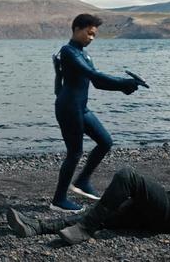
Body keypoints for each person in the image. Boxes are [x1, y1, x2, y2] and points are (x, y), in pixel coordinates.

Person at [7, 109, 170, 250]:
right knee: (103, 213)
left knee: (128, 176)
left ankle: (83, 231)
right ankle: (37, 227)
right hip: (161, 211)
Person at [50, 13, 140, 212]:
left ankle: (82, 180)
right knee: (74, 153)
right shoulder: (68, 51)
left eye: (94, 36)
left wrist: (123, 86)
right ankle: (58, 200)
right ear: (76, 29)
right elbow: (93, 76)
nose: (91, 38)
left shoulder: (84, 54)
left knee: (105, 141)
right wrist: (123, 83)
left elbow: (97, 83)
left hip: (80, 108)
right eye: (89, 34)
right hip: (68, 108)